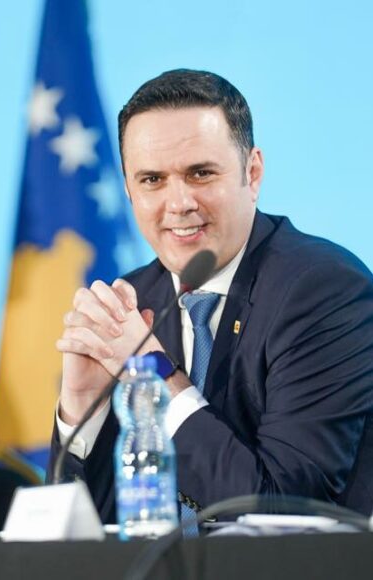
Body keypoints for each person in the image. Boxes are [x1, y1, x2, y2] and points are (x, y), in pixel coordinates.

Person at [48, 69, 373, 522]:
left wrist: (155, 372)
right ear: (128, 190)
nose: (179, 203)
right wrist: (82, 407)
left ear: (252, 173)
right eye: (152, 180)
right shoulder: (135, 302)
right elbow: (81, 537)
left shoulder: (323, 289)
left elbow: (284, 511)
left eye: (200, 173)